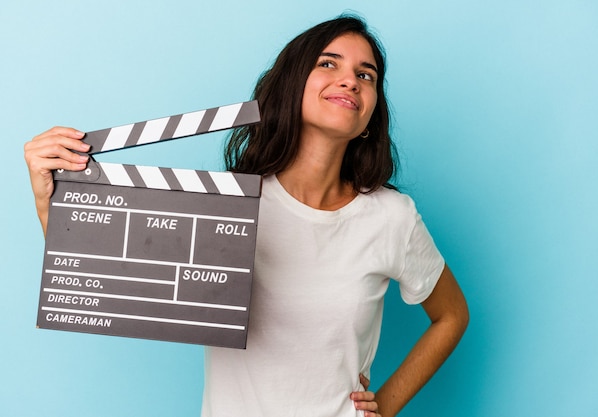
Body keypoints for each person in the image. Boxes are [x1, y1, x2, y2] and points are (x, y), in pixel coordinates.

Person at [24, 14, 468, 417]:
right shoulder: (226, 207)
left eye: (364, 75)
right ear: (292, 87)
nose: (349, 80)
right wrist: (49, 199)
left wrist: (385, 408)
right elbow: (112, 278)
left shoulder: (392, 217)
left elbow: (452, 315)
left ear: (371, 115)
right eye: (328, 64)